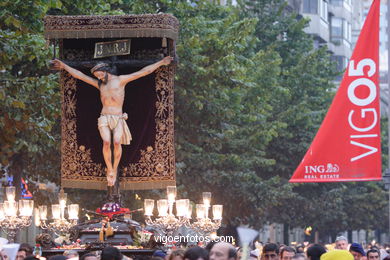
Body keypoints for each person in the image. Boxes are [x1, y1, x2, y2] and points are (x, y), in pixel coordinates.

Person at [51, 56, 173, 186]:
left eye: (100, 75)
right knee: (107, 142)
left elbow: (143, 72)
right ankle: (109, 168)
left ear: (106, 71)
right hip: (104, 117)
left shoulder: (120, 81)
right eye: (97, 77)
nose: (99, 78)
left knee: (116, 142)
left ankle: (114, 169)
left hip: (118, 118)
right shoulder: (99, 84)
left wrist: (161, 62)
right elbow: (80, 76)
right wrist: (64, 66)